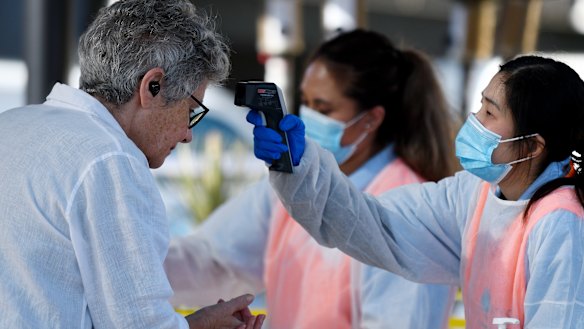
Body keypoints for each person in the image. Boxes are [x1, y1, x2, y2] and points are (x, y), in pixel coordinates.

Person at [247, 54, 584, 328]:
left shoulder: (562, 224)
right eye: (481, 106)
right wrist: (299, 162)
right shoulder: (475, 197)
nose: (474, 121)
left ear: (532, 146)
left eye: (490, 113)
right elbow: (373, 224)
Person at [164, 29, 459, 328]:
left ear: (371, 119)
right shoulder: (293, 183)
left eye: (324, 108)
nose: (309, 115)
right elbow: (213, 262)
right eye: (305, 102)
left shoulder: (407, 205)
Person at [0, 0, 264, 328]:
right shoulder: (110, 159)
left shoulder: (11, 124)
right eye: (191, 111)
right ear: (152, 87)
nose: (187, 135)